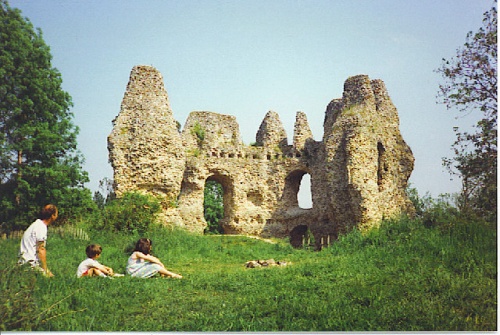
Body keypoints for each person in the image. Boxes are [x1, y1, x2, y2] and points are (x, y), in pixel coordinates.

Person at [18, 204, 58, 277]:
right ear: (53, 215)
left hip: (24, 262)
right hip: (29, 264)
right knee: (52, 280)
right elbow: (41, 249)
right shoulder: (41, 227)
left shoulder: (36, 224)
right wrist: (46, 270)